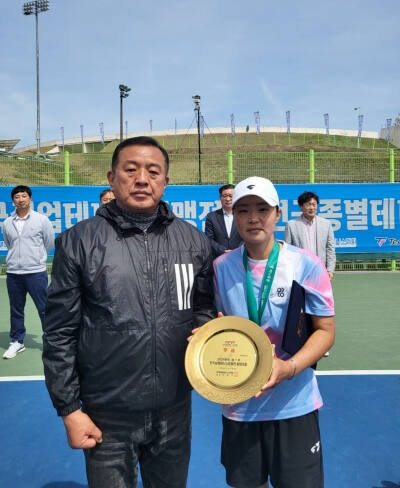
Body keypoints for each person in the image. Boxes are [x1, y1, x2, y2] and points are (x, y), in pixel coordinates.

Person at [42, 136, 216, 488]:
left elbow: (204, 308)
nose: (142, 179)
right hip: (107, 413)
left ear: (165, 182)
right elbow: (59, 332)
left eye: (153, 172)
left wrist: (205, 332)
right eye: (131, 169)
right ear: (111, 177)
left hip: (174, 407)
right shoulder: (78, 241)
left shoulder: (194, 241)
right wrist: (70, 409)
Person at [212, 176, 335, 488]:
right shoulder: (220, 267)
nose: (253, 218)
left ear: (278, 213)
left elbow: (325, 331)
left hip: (295, 404)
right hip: (241, 407)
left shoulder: (306, 264)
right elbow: (215, 324)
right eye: (243, 210)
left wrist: (288, 367)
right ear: (233, 215)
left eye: (262, 209)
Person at [2, 185, 55, 359]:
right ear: (13, 200)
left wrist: (36, 258)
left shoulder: (41, 220)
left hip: (36, 273)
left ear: (30, 199)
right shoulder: (7, 222)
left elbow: (48, 243)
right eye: (17, 196)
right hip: (14, 274)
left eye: (24, 196)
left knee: (44, 308)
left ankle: (51, 341)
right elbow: (10, 244)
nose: (21, 199)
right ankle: (17, 341)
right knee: (16, 309)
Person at [284, 191, 336, 280]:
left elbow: (330, 248)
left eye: (314, 204)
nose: (312, 208)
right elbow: (287, 250)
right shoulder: (291, 225)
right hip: (299, 271)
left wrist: (330, 270)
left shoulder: (326, 224)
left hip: (320, 270)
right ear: (301, 206)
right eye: (308, 205)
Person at [204, 184, 242, 258]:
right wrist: (223, 250)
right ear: (220, 198)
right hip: (219, 258)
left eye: (231, 196)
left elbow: (246, 237)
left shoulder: (242, 215)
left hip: (239, 257)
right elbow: (208, 239)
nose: (228, 199)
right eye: (224, 196)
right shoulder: (212, 216)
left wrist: (236, 251)